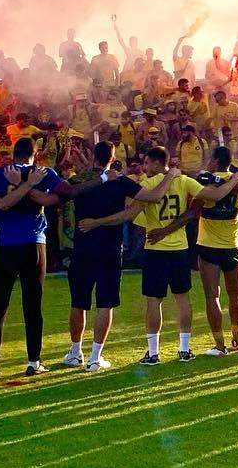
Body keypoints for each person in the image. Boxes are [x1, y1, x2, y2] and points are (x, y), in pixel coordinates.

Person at [66, 141, 174, 369]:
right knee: (105, 303)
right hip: (110, 248)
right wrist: (170, 176)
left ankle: (75, 352)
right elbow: (154, 197)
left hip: (82, 247)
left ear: (92, 156)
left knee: (78, 301)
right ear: (113, 157)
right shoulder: (121, 181)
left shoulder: (80, 179)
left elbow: (69, 191)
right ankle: (95, 357)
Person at [0, 137, 62, 378]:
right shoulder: (43, 173)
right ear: (35, 154)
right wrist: (28, 186)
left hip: (5, 245)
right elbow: (53, 200)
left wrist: (18, 188)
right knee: (33, 305)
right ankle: (33, 361)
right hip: (34, 244)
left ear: (12, 153)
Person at [190, 145, 238, 354]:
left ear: (215, 160)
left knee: (213, 297)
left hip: (208, 247)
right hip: (233, 245)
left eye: (209, 158)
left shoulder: (204, 182)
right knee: (235, 294)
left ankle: (219, 345)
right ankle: (237, 340)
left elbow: (193, 207)